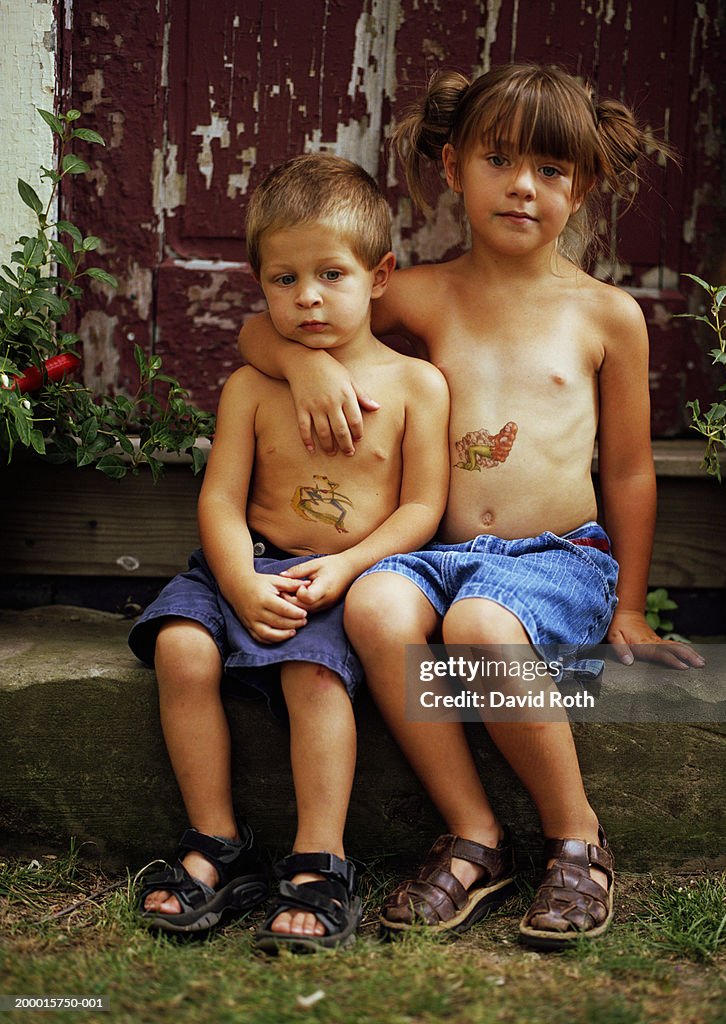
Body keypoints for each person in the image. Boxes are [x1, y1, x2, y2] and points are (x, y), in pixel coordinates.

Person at [238, 63, 704, 949]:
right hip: (441, 554)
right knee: (375, 602)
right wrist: (306, 363)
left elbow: (633, 471)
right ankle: (474, 832)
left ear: (585, 185)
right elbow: (260, 328)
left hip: (557, 558)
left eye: (552, 170)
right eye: (498, 160)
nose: (523, 185)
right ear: (452, 169)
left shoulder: (606, 316)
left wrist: (632, 605)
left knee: (480, 627)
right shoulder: (418, 292)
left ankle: (576, 838)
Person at [128, 154, 450, 952]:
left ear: (380, 276)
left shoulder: (417, 387)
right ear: (259, 281)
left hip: (337, 578)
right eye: (282, 279)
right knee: (179, 649)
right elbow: (219, 500)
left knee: (312, 675)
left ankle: (318, 862)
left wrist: (347, 568)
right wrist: (236, 581)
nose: (306, 297)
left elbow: (422, 506)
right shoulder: (250, 385)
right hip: (243, 563)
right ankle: (215, 846)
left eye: (330, 274)